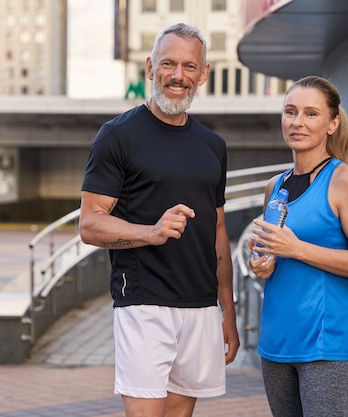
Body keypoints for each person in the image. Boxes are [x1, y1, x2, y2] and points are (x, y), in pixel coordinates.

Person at [79, 23, 239, 417]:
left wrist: (228, 312)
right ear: (150, 68)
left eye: (189, 66)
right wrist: (150, 232)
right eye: (168, 64)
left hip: (201, 307)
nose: (177, 76)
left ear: (203, 74)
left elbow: (217, 231)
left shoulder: (212, 146)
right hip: (144, 302)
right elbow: (89, 224)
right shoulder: (117, 136)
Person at [248, 75, 348, 417]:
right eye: (290, 112)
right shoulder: (273, 186)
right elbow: (272, 256)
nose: (297, 122)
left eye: (311, 113)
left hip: (325, 347)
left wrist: (297, 249)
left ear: (332, 123)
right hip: (275, 343)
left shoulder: (345, 180)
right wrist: (262, 262)